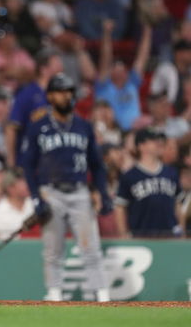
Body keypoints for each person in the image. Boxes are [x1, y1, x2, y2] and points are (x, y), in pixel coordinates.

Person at [21, 73, 112, 302]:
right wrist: (35, 198)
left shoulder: (83, 125)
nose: (67, 96)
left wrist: (102, 192)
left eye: (70, 92)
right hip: (51, 192)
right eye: (61, 92)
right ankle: (54, 293)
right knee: (53, 249)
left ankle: (101, 294)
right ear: (50, 96)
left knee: (90, 247)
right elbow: (28, 165)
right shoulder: (38, 127)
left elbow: (97, 165)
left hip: (80, 191)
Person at [115, 128, 183, 238]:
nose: (159, 143)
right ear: (141, 146)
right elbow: (120, 207)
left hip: (170, 236)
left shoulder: (171, 172)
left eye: (160, 140)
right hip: (141, 236)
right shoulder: (130, 175)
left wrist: (181, 229)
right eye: (153, 140)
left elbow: (178, 204)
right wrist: (123, 234)